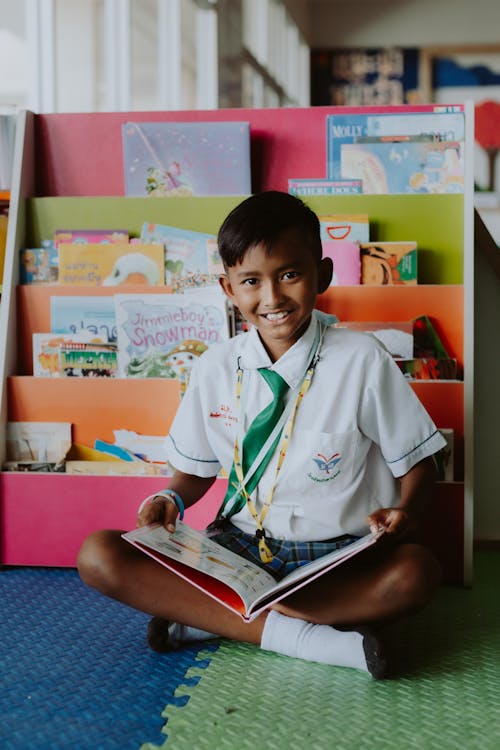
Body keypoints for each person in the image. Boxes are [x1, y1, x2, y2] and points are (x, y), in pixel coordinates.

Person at [78, 191, 445, 679]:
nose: (271, 298)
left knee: (416, 574)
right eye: (251, 281)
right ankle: (319, 641)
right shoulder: (214, 367)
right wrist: (171, 497)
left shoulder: (362, 358)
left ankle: (213, 619)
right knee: (99, 555)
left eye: (289, 274)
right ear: (228, 288)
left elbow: (421, 464)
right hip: (238, 551)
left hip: (335, 559)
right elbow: (193, 472)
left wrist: (406, 514)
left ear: (323, 274)